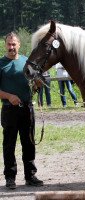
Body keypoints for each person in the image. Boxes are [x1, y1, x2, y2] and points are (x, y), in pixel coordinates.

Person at [0, 32, 43, 189]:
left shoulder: (27, 61)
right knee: (9, 145)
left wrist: (38, 84)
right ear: (6, 45)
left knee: (29, 143)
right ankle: (10, 178)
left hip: (27, 108)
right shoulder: (1, 63)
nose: (11, 47)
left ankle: (30, 176)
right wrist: (9, 96)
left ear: (19, 44)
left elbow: (35, 84)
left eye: (14, 44)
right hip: (9, 109)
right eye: (9, 44)